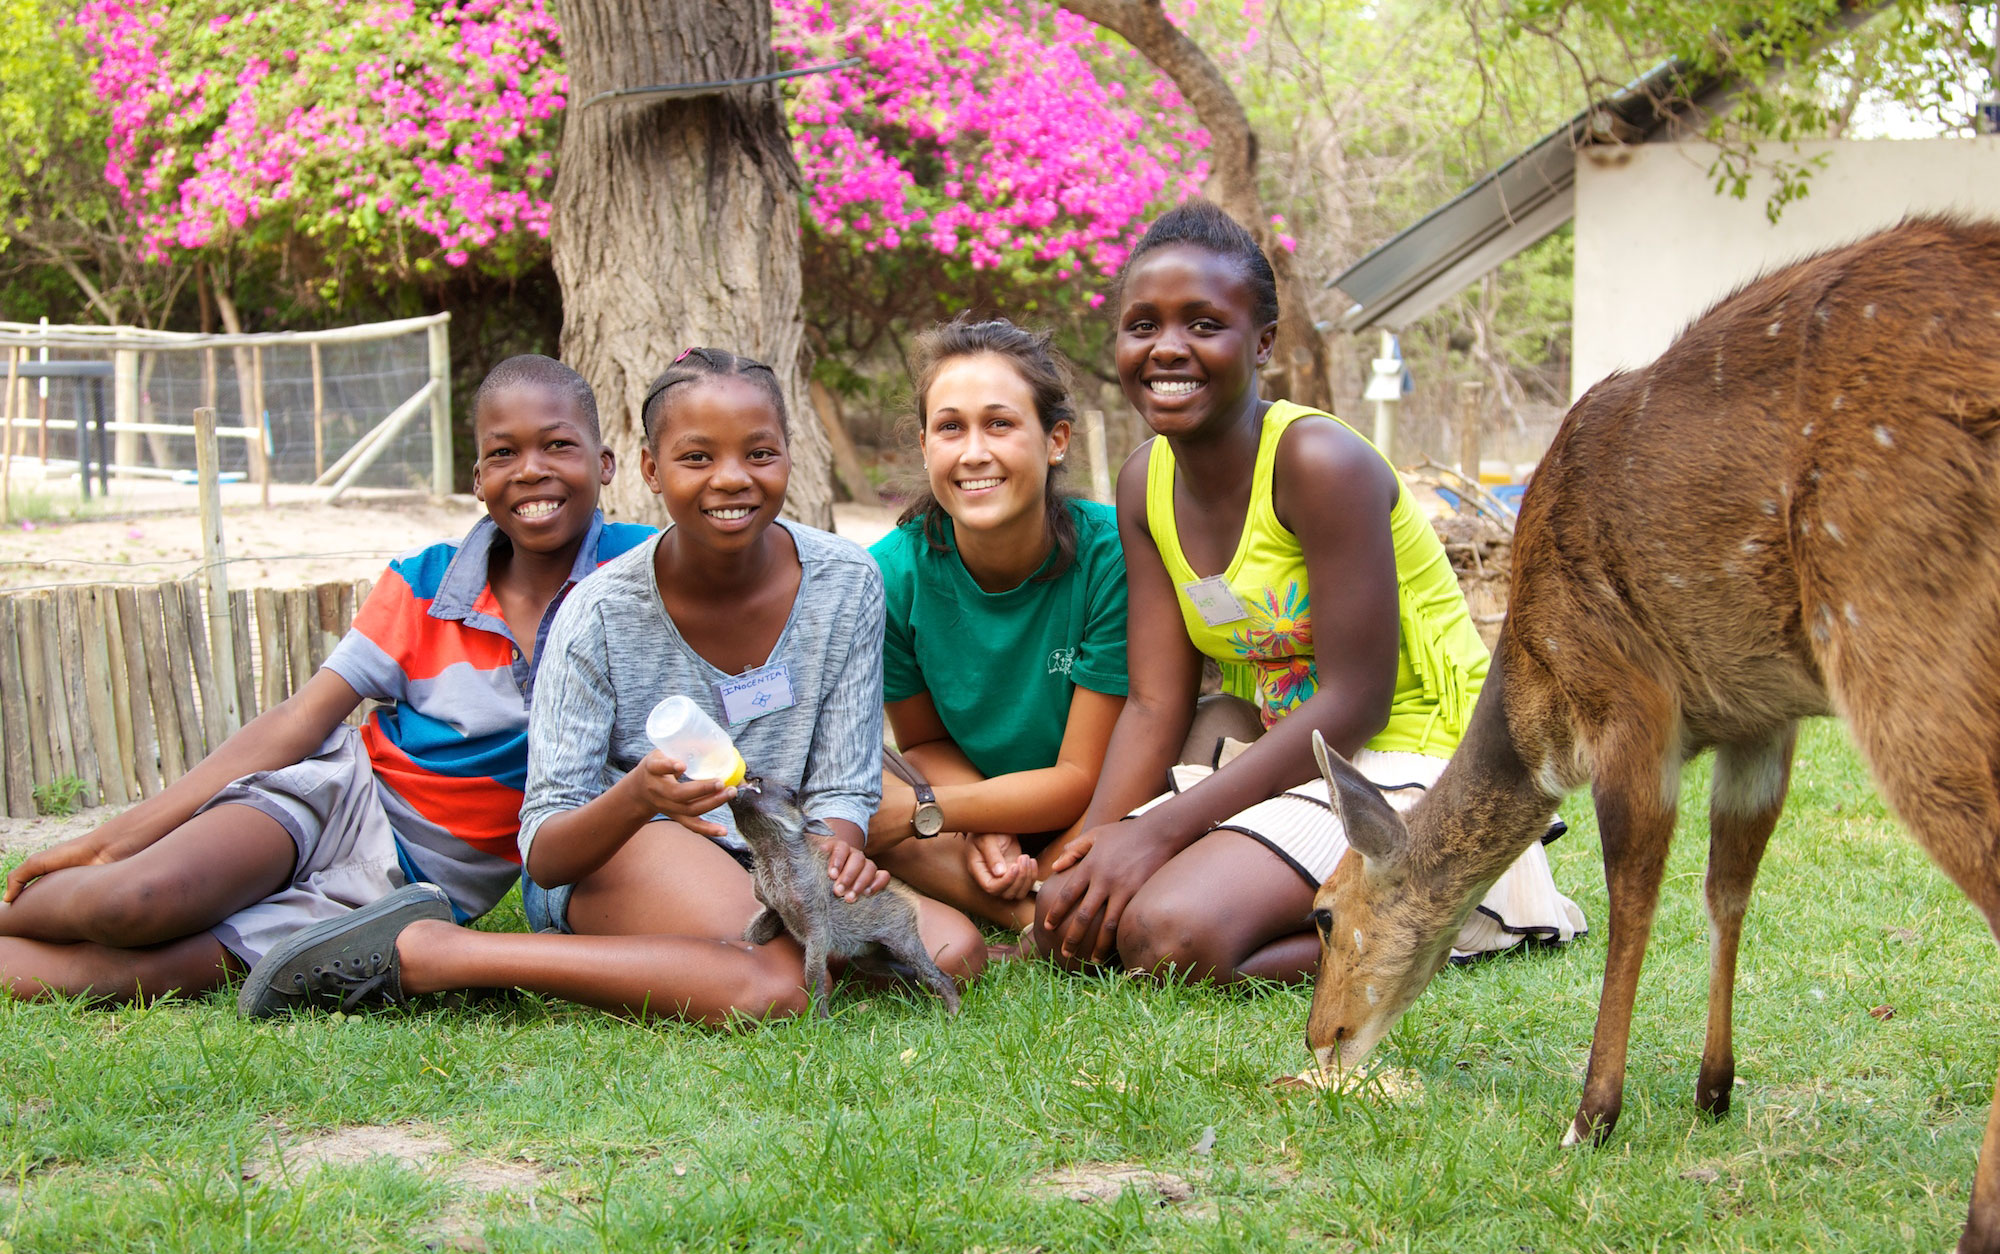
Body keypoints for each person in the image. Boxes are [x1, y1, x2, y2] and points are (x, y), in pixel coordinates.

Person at [243, 347, 985, 1022]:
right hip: (627, 847)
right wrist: (640, 797)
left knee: (954, 951)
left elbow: (846, 780)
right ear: (650, 471)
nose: (731, 478)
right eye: (697, 457)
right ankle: (437, 955)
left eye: (759, 452)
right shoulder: (598, 613)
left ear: (791, 456)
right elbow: (545, 848)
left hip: (774, 850)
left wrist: (839, 843)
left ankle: (717, 964)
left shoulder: (846, 581)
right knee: (779, 987)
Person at [1035, 201, 1585, 981]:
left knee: (1166, 938)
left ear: (1263, 342)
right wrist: (1086, 856)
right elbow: (1158, 703)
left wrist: (1156, 837)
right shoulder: (1142, 483)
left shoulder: (1319, 462)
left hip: (1417, 757)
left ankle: (1461, 907)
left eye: (1202, 323)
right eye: (1142, 325)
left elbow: (1356, 702)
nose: (1167, 348)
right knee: (1090, 922)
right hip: (1281, 742)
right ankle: (1302, 892)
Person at [0, 354, 650, 1003]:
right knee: (133, 902)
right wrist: (112, 843)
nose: (531, 469)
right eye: (504, 453)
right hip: (337, 796)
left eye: (558, 445)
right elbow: (299, 720)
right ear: (478, 479)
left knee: (134, 977)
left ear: (605, 463)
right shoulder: (425, 581)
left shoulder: (642, 575)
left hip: (410, 887)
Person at [867, 318, 1128, 931]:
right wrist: (980, 823)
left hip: (1097, 805)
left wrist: (930, 812)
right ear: (926, 445)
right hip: (965, 805)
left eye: (1000, 423)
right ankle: (1044, 911)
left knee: (894, 817)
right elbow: (925, 743)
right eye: (951, 427)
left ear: (1056, 439)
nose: (974, 452)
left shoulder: (1110, 554)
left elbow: (1079, 776)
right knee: (857, 790)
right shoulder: (890, 574)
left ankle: (1050, 898)